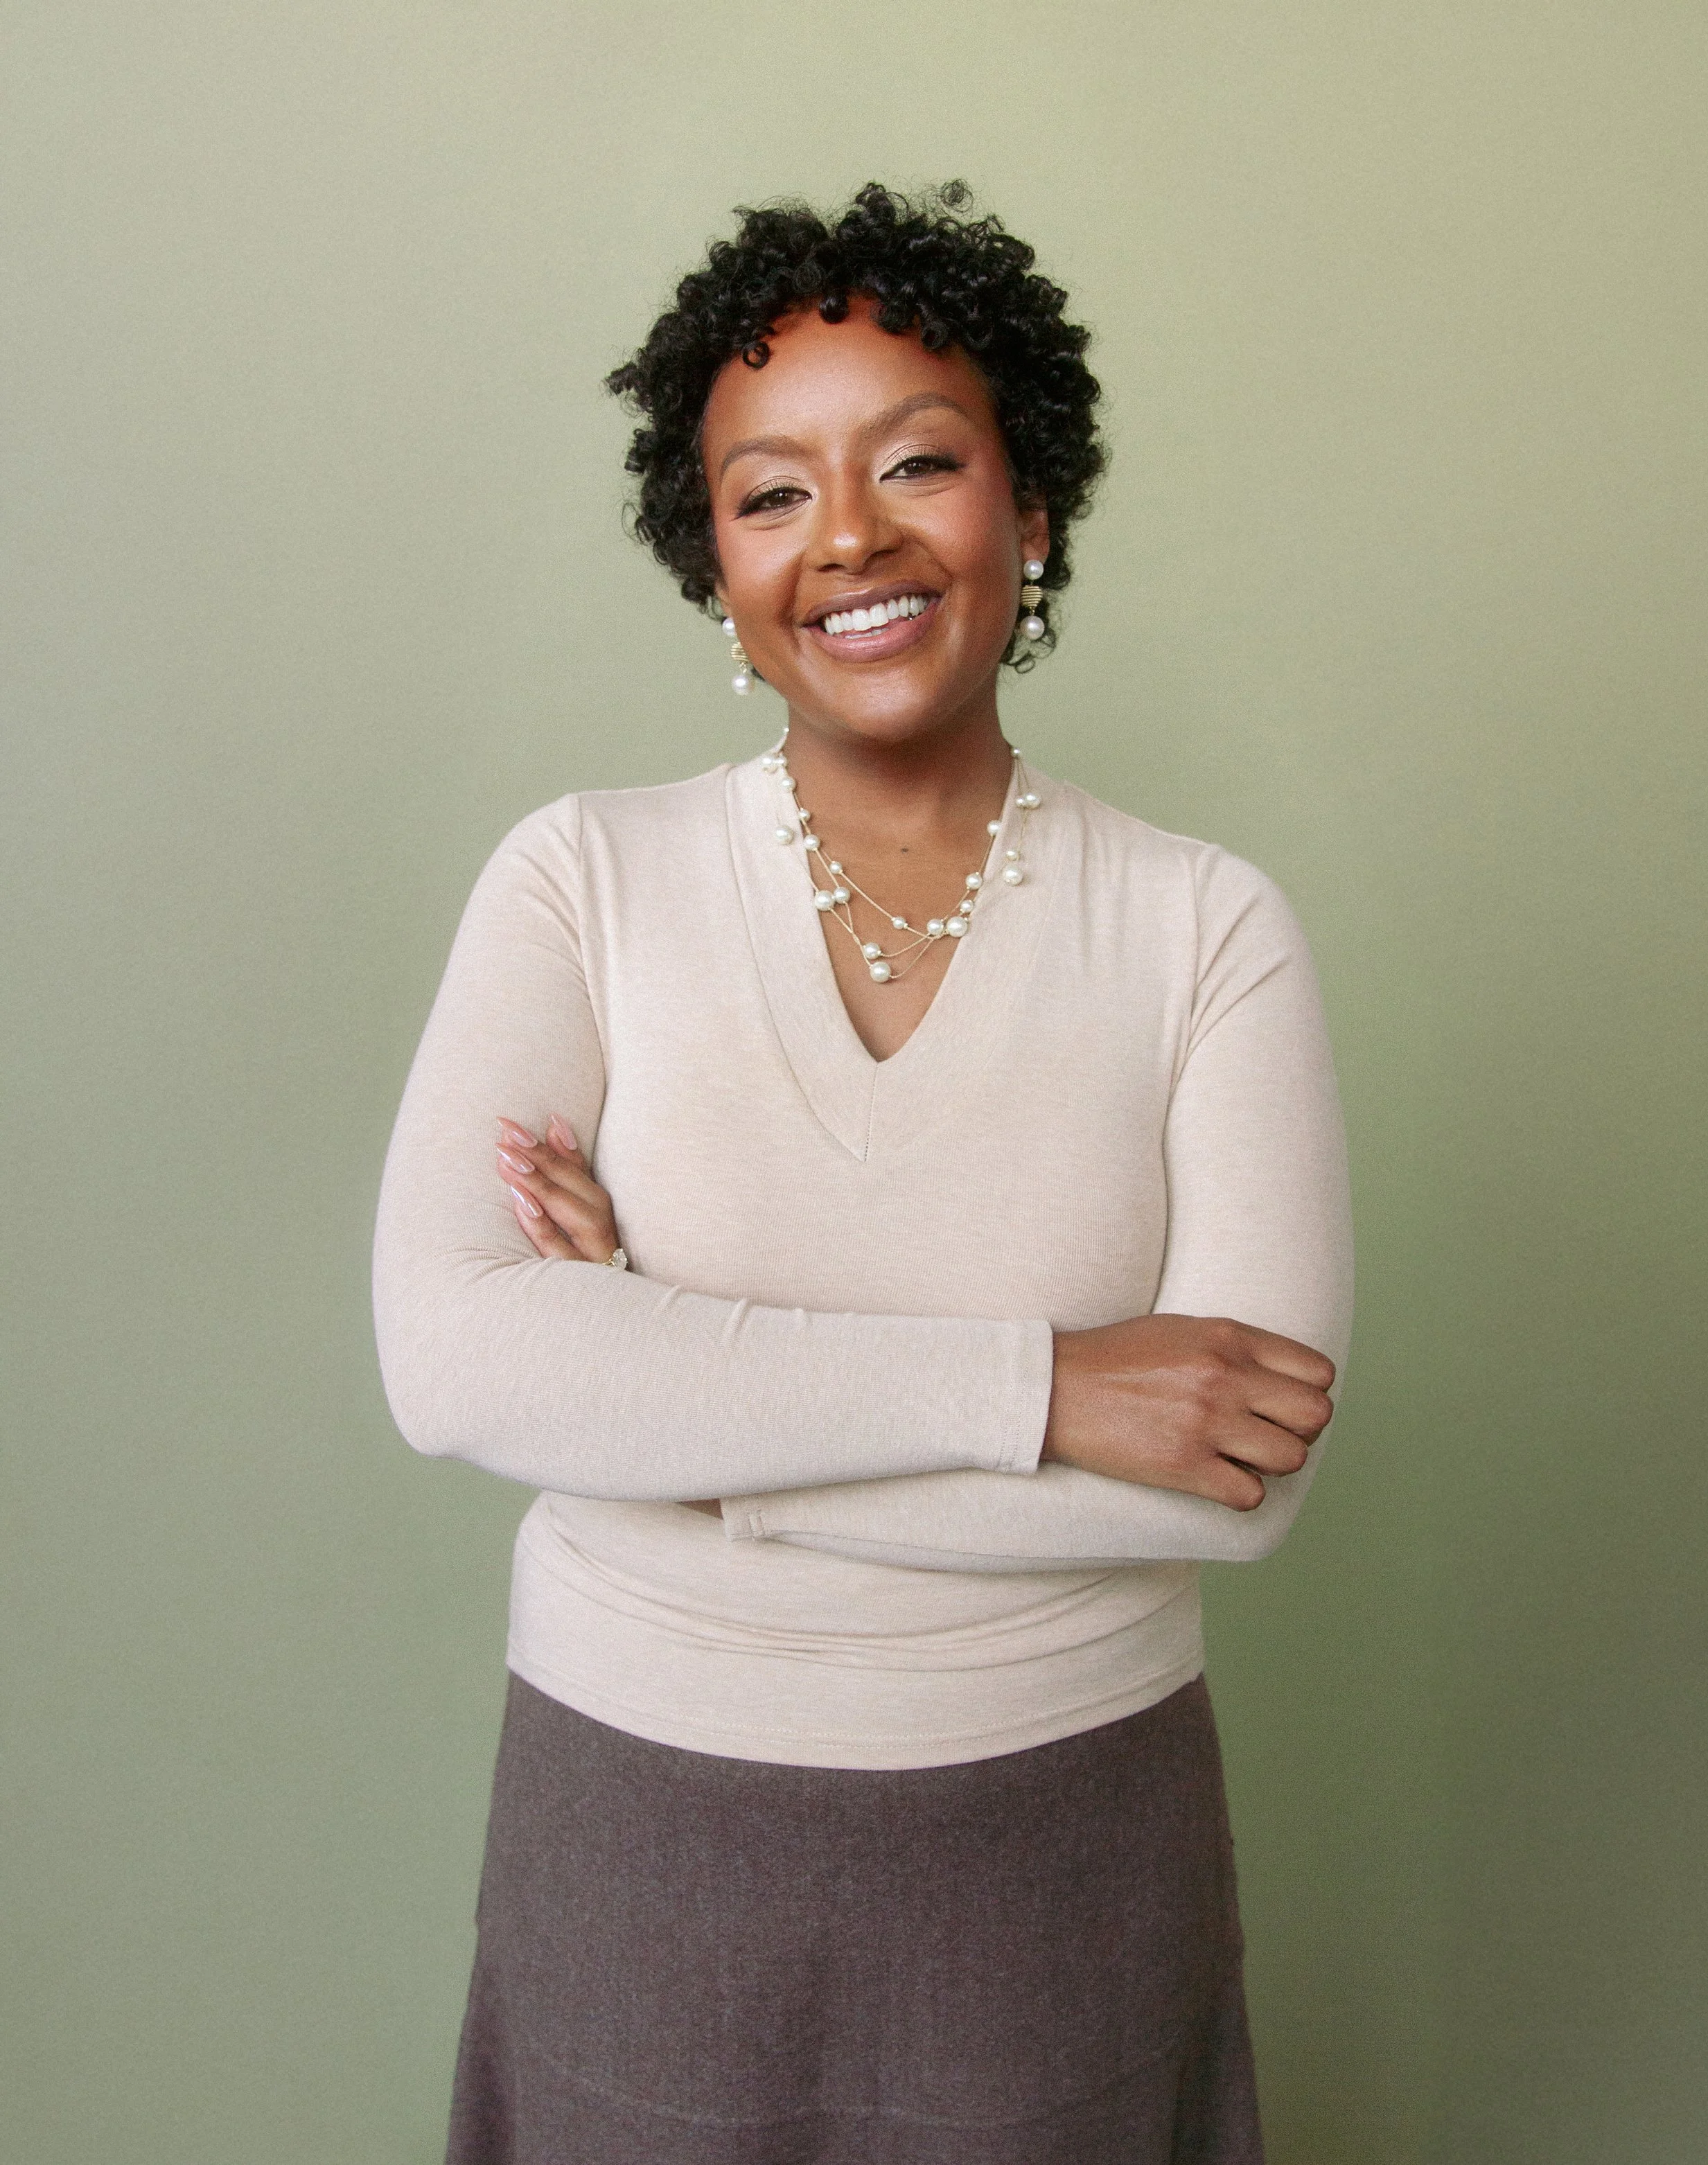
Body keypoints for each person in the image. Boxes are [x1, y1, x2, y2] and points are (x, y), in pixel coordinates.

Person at [373, 181, 1352, 2165]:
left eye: (920, 461)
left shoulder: (1201, 924)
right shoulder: (583, 878)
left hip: (1057, 1844)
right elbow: (457, 1365)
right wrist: (1054, 1388)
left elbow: (1244, 1483)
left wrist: (659, 1388)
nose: (851, 539)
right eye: (767, 493)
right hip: (641, 1833)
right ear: (711, 565)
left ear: (1032, 508)